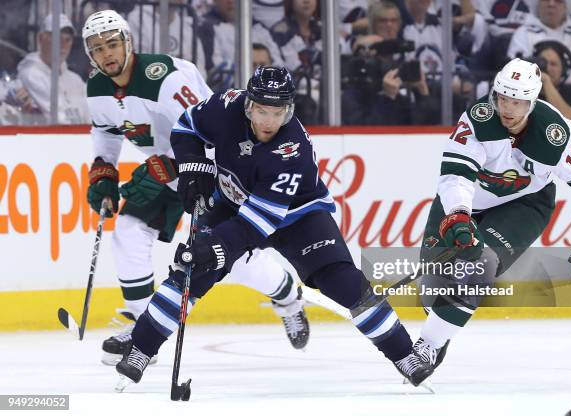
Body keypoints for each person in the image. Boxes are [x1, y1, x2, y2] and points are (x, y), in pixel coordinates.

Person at [114, 66, 417, 388]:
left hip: (299, 217)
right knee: (190, 271)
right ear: (248, 104)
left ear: (289, 110)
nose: (269, 121)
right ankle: (141, 349)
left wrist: (216, 245)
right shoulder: (226, 106)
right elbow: (187, 125)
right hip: (232, 202)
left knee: (343, 283)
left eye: (278, 112)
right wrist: (194, 167)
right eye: (262, 110)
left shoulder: (292, 149)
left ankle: (404, 355)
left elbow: (258, 223)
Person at [81, 10, 311, 365]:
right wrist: (103, 171)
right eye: (97, 48)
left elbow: (210, 131)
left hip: (213, 171)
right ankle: (142, 328)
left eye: (112, 43)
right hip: (163, 171)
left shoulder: (166, 78)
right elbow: (106, 130)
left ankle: (287, 295)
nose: (106, 53)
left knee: (235, 261)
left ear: (128, 42)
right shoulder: (96, 88)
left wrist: (175, 165)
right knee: (126, 232)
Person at [402, 58, 571, 387]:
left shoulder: (556, 135)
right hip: (467, 200)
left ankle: (427, 345)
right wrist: (458, 215)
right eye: (503, 98)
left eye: (518, 101)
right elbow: (456, 175)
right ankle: (440, 328)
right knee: (434, 286)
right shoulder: (477, 120)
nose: (508, 108)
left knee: (475, 268)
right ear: (494, 94)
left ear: (532, 101)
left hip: (525, 205)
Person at [507, 0, 571, 86]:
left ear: (566, 7)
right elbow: (516, 69)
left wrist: (570, 83)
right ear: (537, 4)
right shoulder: (524, 33)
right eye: (546, 0)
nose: (551, 4)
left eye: (558, 1)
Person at [17, 13, 89, 124]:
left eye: (67, 39)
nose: (63, 45)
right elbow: (59, 121)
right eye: (57, 38)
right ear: (40, 39)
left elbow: (92, 116)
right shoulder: (31, 75)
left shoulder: (75, 80)